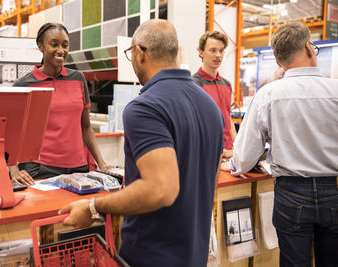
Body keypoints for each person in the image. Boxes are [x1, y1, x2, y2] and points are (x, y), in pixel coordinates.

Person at [59, 19, 224, 266]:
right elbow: (211, 178)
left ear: (139, 52)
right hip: (194, 255)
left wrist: (93, 207)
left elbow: (160, 189)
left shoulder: (144, 107)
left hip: (152, 255)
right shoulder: (210, 106)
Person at [226, 22, 338, 267]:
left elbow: (245, 157)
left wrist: (232, 164)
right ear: (310, 48)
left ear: (278, 62)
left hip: (291, 192)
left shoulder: (268, 95)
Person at [10, 23, 109, 185]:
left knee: (78, 210)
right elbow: (12, 132)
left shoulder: (78, 79)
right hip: (40, 168)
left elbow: (86, 127)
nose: (61, 50)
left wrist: (102, 164)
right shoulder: (24, 84)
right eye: (54, 44)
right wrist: (13, 170)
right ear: (40, 46)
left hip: (79, 167)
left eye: (65, 45)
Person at [193, 31, 237, 159]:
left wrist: (237, 145)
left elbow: (228, 117)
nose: (218, 55)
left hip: (229, 152)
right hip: (206, 153)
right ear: (201, 52)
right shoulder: (193, 84)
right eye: (212, 50)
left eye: (221, 51)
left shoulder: (227, 84)